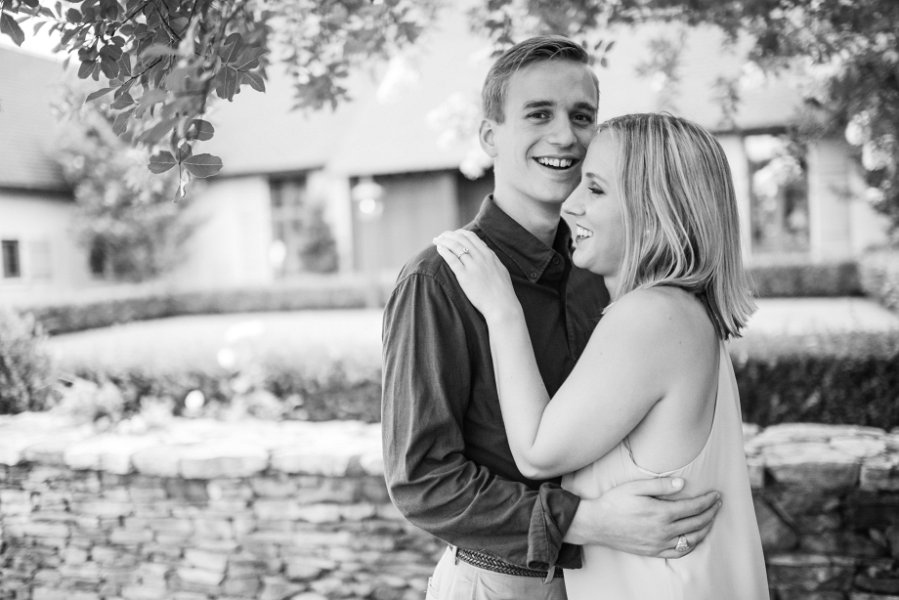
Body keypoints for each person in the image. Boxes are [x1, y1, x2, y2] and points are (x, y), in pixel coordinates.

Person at [382, 36, 722, 600]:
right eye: (539, 114)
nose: (565, 135)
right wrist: (584, 521)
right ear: (490, 137)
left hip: (622, 581)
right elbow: (422, 480)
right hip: (503, 583)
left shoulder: (606, 268)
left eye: (582, 116)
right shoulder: (438, 280)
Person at [433, 112, 769, 599]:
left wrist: (503, 310)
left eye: (595, 189)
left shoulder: (650, 317)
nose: (569, 205)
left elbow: (536, 452)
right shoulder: (683, 313)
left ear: (654, 208)